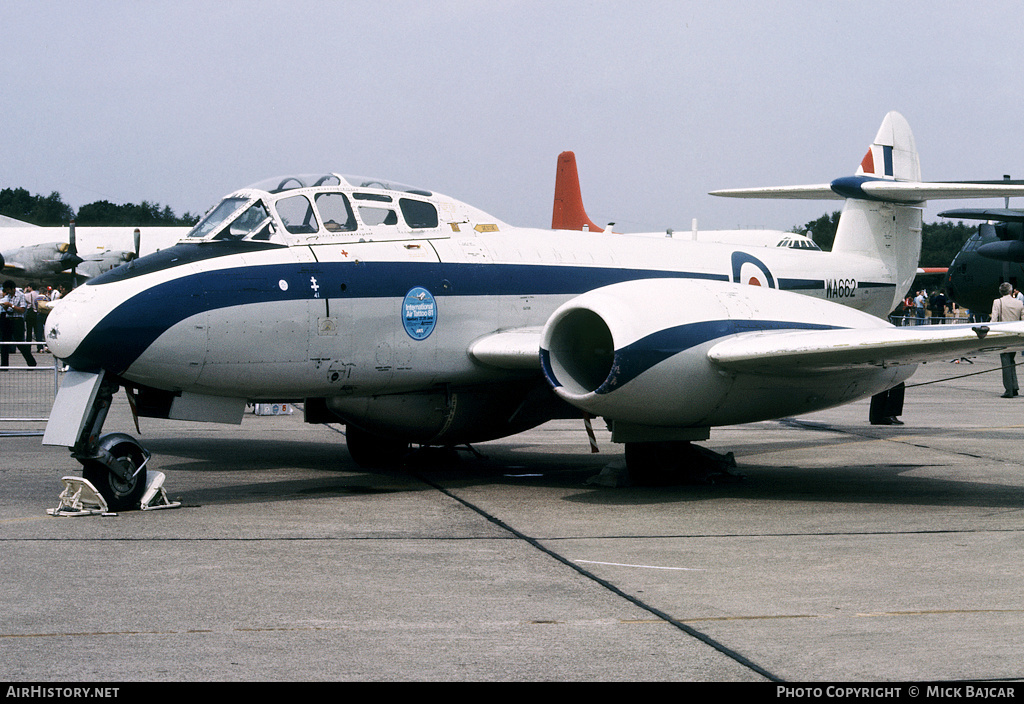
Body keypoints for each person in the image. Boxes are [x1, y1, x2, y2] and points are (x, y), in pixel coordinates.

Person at [991, 282, 1024, 397]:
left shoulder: (997, 302)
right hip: (1015, 336)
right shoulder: (1019, 303)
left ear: (1001, 292)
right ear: (1010, 291)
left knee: (1005, 362)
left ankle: (1009, 389)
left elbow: (994, 320)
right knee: (1011, 361)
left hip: (1003, 336)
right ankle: (1014, 387)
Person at [0, 280, 37, 368]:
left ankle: (31, 362)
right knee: (4, 343)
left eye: (9, 290)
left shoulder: (20, 295)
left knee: (20, 343)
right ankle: (4, 365)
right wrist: (5, 307)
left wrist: (11, 305)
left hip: (17, 321)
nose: (8, 292)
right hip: (8, 320)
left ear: (13, 288)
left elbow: (22, 310)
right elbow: (9, 311)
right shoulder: (8, 296)